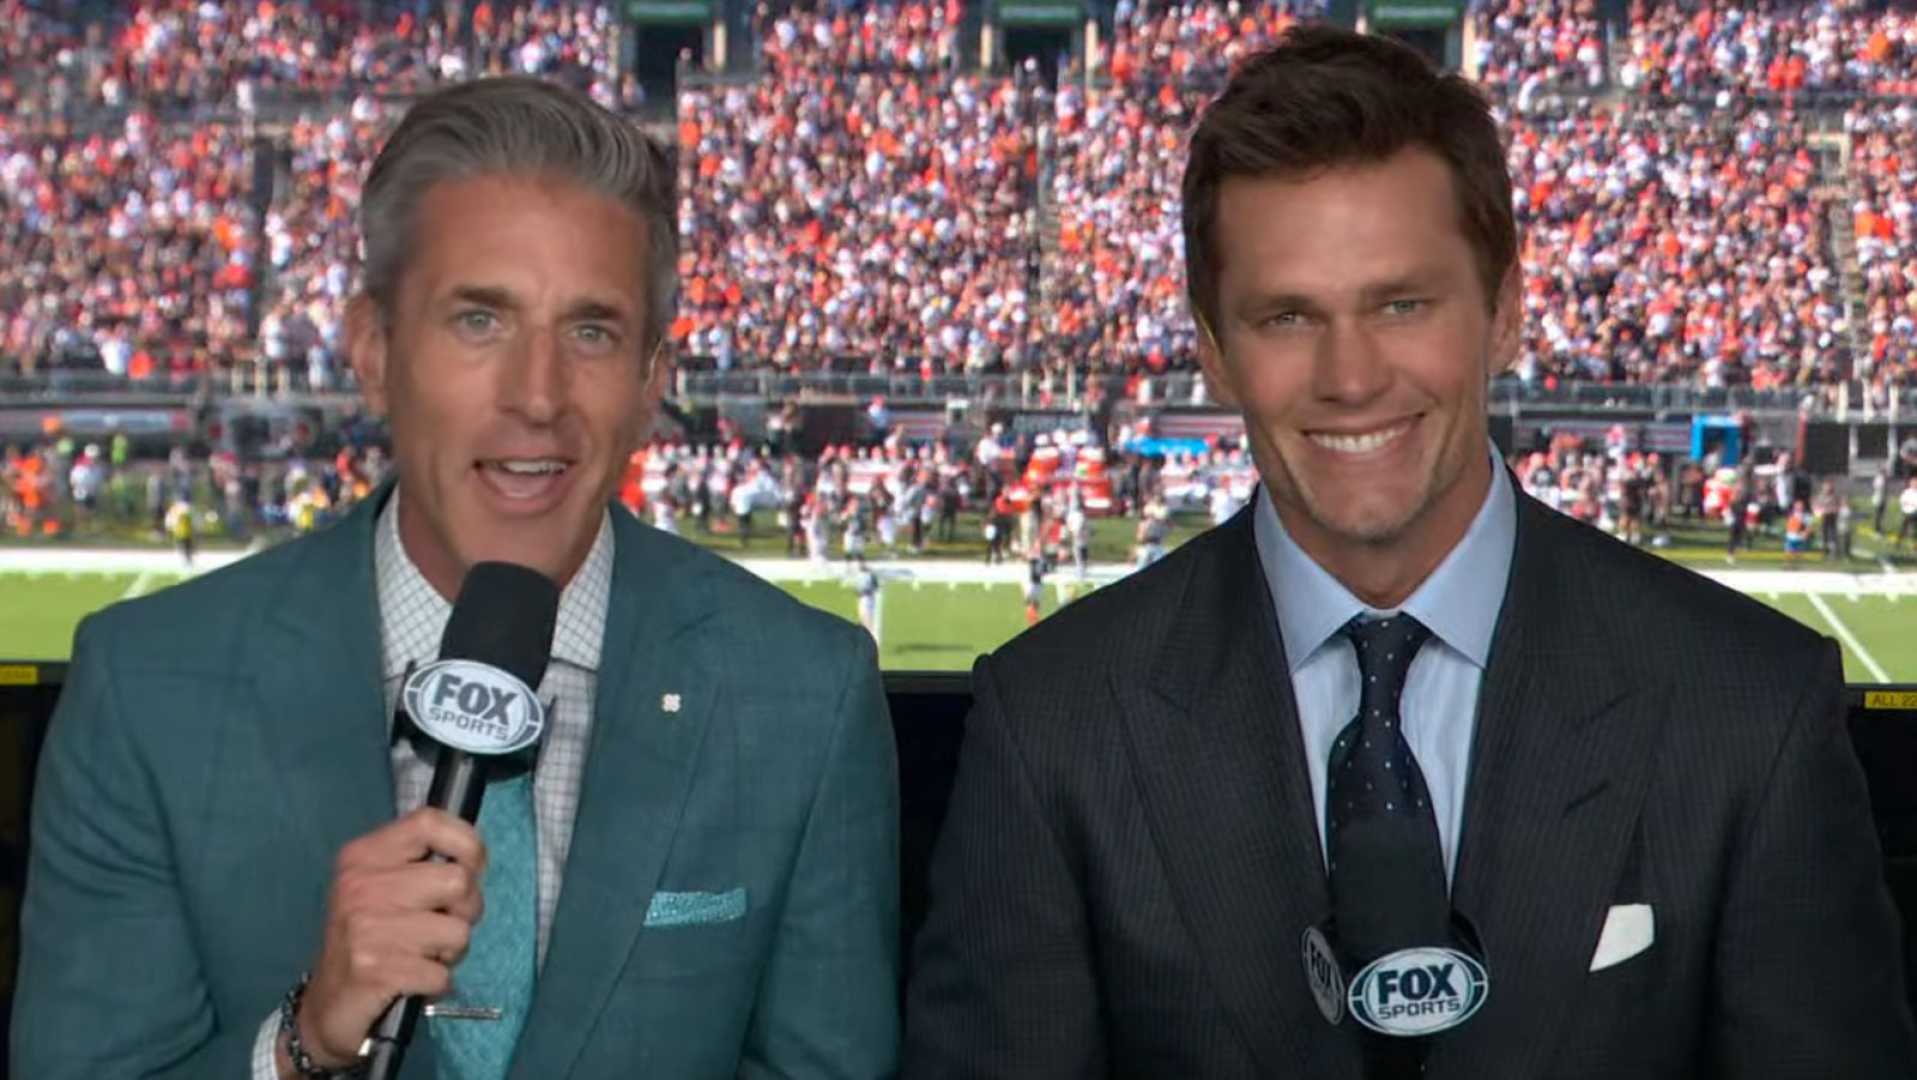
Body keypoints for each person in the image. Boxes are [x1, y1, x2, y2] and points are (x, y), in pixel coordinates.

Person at [904, 28, 1915, 1078]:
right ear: (1212, 352)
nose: (1351, 377)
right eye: (1288, 316)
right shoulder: (1056, 722)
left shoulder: (1749, 708)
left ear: (1506, 312)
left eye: (1401, 304)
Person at [15, 77, 899, 1079]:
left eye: (592, 332)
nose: (537, 396)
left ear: (653, 378)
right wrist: (304, 1046)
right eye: (479, 322)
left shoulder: (801, 695)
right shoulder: (149, 688)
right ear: (374, 351)